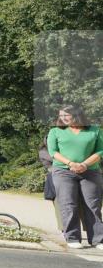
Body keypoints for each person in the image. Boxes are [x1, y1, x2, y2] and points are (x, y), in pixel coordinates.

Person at [48, 105, 103, 250]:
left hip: (90, 171)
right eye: (61, 116)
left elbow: (100, 150)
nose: (63, 118)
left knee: (93, 205)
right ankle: (72, 237)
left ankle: (98, 239)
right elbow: (53, 151)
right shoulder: (55, 131)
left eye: (66, 115)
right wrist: (71, 163)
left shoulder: (95, 130)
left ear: (77, 115)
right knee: (68, 204)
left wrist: (84, 164)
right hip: (63, 171)